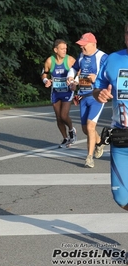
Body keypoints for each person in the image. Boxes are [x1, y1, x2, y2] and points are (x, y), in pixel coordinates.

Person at [93, 22, 128, 211]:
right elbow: (97, 87)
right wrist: (99, 94)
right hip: (122, 139)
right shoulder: (113, 59)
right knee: (121, 197)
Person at [67, 32, 108, 168]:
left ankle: (89, 158)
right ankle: (100, 142)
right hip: (83, 96)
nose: (82, 48)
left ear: (93, 44)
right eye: (81, 46)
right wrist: (71, 79)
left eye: (84, 45)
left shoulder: (103, 57)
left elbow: (110, 75)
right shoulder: (81, 57)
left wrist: (98, 78)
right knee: (86, 129)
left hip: (96, 96)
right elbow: (74, 69)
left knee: (91, 127)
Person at [41, 39, 77, 148]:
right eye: (62, 49)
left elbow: (79, 72)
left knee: (63, 115)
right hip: (55, 92)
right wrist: (46, 81)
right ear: (55, 50)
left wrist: (75, 82)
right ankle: (65, 138)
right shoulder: (49, 61)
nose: (64, 51)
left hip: (67, 91)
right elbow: (44, 73)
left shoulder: (70, 60)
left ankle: (71, 130)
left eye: (65, 48)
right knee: (58, 117)